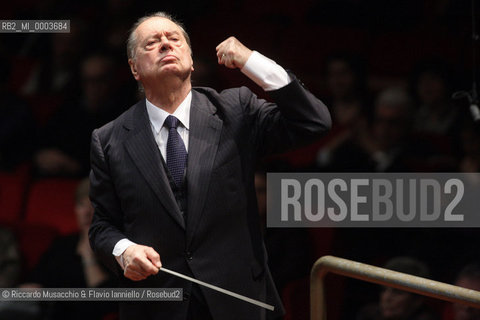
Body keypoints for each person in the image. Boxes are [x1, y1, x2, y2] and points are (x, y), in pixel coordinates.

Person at [88, 11, 331, 320]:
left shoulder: (236, 109)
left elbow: (314, 122)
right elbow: (101, 227)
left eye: (174, 39)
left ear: (190, 59)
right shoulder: (108, 139)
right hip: (157, 306)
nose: (165, 45)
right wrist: (124, 251)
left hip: (238, 302)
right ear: (134, 69)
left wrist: (251, 60)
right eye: (152, 42)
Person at [21, 178, 117, 320]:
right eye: (81, 205)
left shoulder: (117, 248)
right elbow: (35, 281)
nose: (86, 213)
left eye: (93, 206)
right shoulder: (63, 244)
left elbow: (106, 302)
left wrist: (88, 257)